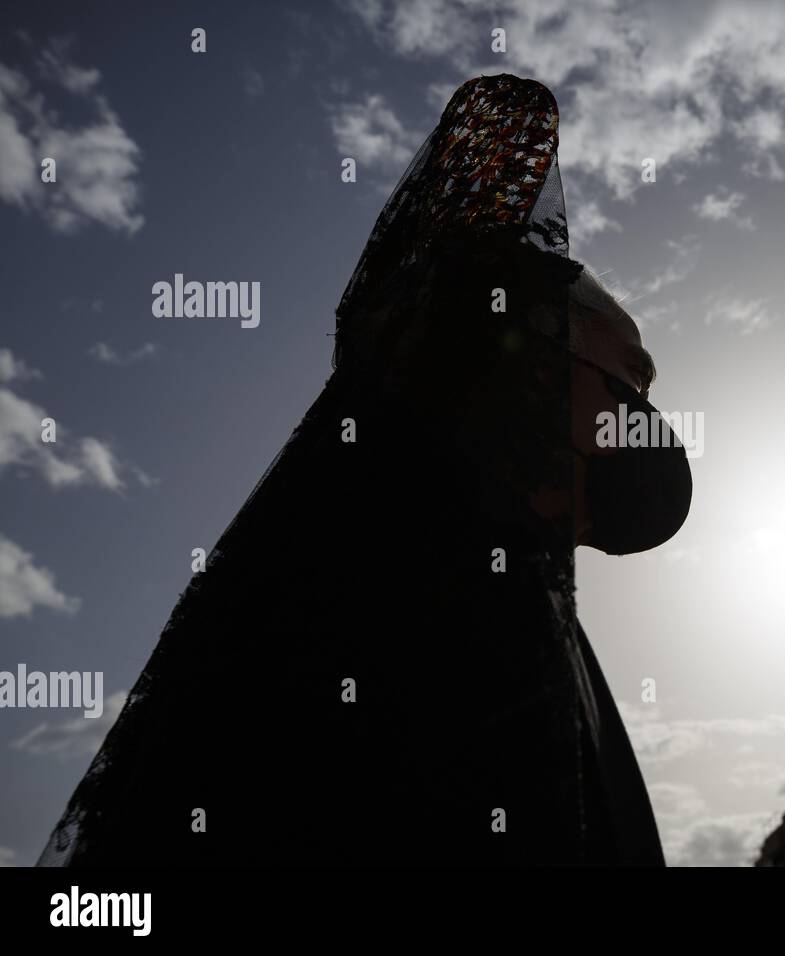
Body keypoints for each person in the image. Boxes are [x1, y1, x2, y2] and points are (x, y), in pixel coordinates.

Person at [38, 73, 691, 867]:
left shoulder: (514, 598)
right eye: (634, 375)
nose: (646, 409)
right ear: (536, 362)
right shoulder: (396, 605)